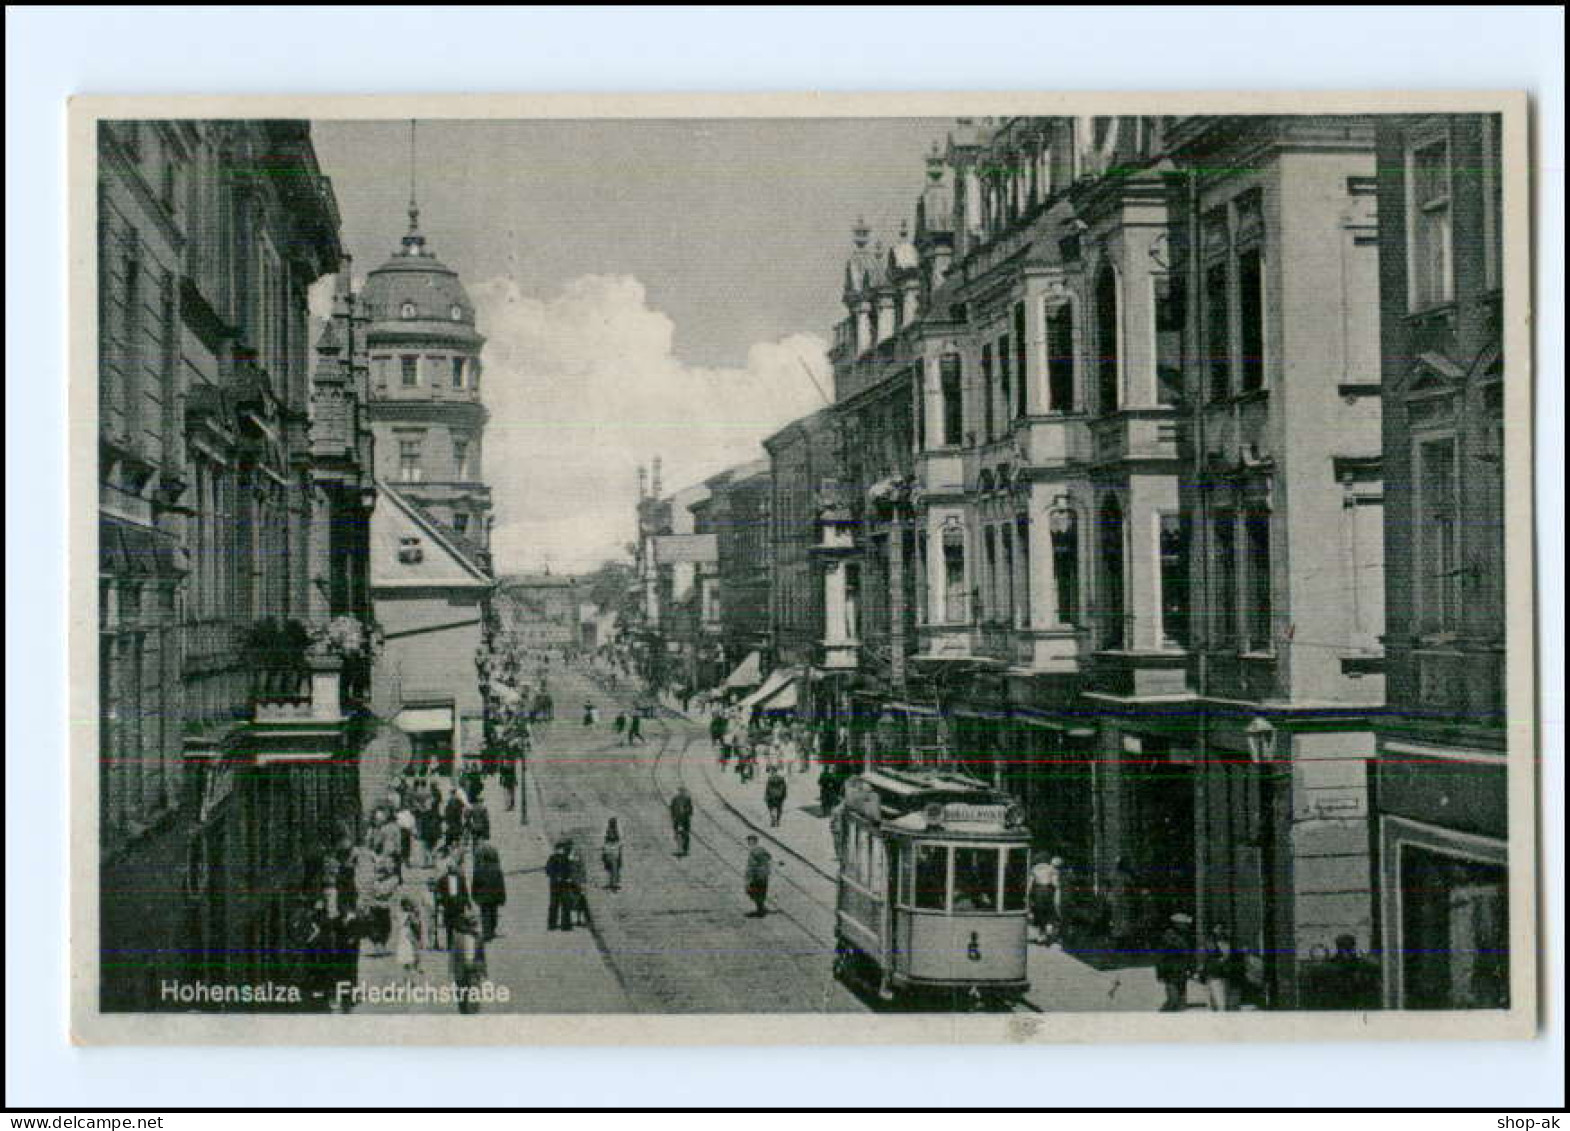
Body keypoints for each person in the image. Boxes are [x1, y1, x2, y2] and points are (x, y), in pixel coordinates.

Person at [448, 904, 487, 1015]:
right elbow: (453, 955)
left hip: (474, 969)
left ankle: (473, 1012)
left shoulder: (478, 938)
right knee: (461, 992)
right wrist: (451, 970)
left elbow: (481, 955)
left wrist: (484, 971)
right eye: (472, 923)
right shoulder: (458, 938)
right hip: (461, 969)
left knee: (474, 993)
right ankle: (463, 1010)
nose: (474, 926)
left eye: (475, 923)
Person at [1155, 913, 1196, 1012]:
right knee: (1173, 999)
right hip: (1171, 973)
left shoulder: (1186, 937)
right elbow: (1160, 956)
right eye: (1185, 924)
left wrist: (1191, 968)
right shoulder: (1168, 937)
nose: (1187, 926)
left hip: (1182, 973)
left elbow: (1189, 955)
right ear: (1177, 924)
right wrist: (1160, 973)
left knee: (1181, 1002)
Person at [432, 850, 470, 952]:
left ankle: (459, 945)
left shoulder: (461, 878)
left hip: (458, 905)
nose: (452, 869)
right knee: (449, 927)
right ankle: (450, 945)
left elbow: (465, 891)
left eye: (453, 867)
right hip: (448, 905)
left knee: (459, 926)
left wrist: (468, 903)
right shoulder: (442, 880)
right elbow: (438, 893)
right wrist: (439, 903)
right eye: (450, 867)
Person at [1200, 923, 1243, 1012]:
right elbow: (1204, 959)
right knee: (1219, 1005)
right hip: (1214, 975)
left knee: (1221, 1005)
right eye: (1218, 929)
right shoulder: (1209, 942)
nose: (1220, 931)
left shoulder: (1229, 943)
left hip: (1225, 975)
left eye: (1222, 929)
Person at [471, 838, 507, 942]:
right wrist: (502, 897)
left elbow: (475, 883)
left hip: (483, 896)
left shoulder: (479, 869)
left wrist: (474, 895)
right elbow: (501, 884)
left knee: (485, 914)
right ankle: (491, 930)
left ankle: (487, 933)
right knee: (493, 913)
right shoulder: (496, 869)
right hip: (494, 895)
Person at [1028, 856, 1063, 946]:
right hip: (1048, 891)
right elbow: (1055, 883)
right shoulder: (1053, 870)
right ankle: (1048, 935)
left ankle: (1041, 936)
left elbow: (1030, 884)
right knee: (1049, 913)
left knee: (1039, 913)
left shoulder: (1035, 868)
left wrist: (1028, 895)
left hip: (1037, 891)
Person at [545, 840, 574, 931]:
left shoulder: (565, 859)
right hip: (555, 885)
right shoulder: (552, 858)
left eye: (562, 849)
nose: (561, 851)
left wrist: (569, 878)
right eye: (560, 849)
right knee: (554, 904)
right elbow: (548, 870)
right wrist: (555, 876)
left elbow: (569, 869)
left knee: (565, 903)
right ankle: (552, 924)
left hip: (564, 884)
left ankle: (566, 925)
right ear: (556, 850)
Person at [744, 835, 774, 918]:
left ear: (754, 841)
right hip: (757, 875)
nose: (749, 843)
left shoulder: (757, 850)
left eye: (750, 841)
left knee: (756, 892)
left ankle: (760, 911)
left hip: (759, 875)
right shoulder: (756, 850)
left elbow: (765, 860)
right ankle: (760, 909)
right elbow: (768, 856)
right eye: (748, 841)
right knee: (754, 892)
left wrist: (761, 872)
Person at [395, 895, 423, 980]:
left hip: (402, 936)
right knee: (412, 954)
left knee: (405, 959)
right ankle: (412, 976)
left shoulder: (399, 914)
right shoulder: (409, 915)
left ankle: (406, 977)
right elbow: (416, 925)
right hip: (409, 935)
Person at [568, 842, 591, 926]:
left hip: (578, 883)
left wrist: (583, 883)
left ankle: (580, 920)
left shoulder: (577, 858)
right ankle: (576, 920)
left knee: (580, 903)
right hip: (571, 883)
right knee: (573, 902)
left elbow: (582, 871)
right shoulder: (569, 858)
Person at [669, 786, 694, 857]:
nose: (681, 793)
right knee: (677, 835)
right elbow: (672, 809)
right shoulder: (675, 799)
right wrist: (673, 818)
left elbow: (691, 810)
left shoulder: (687, 799)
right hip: (677, 820)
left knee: (685, 835)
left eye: (683, 792)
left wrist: (685, 811)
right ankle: (679, 849)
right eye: (680, 791)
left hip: (685, 820)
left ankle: (685, 850)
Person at [601, 817, 624, 891]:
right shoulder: (610, 832)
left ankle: (613, 883)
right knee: (612, 869)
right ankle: (613, 883)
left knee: (612, 869)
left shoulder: (612, 833)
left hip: (612, 852)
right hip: (612, 852)